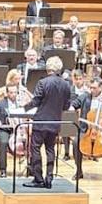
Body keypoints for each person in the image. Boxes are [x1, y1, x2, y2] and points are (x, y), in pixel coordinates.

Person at [25, 56, 73, 188]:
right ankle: (49, 177)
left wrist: (24, 108)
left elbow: (36, 101)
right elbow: (66, 106)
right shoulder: (66, 84)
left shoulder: (43, 82)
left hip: (41, 121)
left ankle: (38, 178)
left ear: (47, 68)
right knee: (50, 149)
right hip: (55, 122)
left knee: (35, 149)